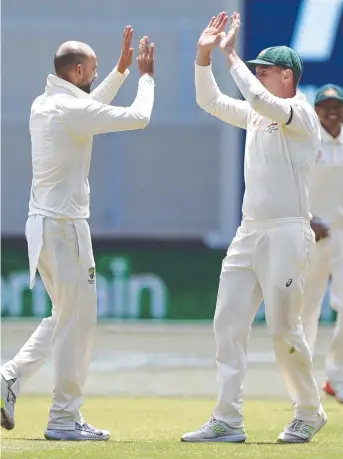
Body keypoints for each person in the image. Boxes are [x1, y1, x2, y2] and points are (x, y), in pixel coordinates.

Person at [1, 27, 155, 441]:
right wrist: (145, 76)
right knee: (78, 323)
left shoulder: (46, 102)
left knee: (67, 316)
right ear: (80, 69)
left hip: (48, 225)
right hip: (65, 228)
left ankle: (9, 378)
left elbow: (90, 106)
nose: (95, 76)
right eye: (95, 70)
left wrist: (120, 71)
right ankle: (64, 418)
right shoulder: (69, 110)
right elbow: (139, 117)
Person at [181, 11, 326, 444]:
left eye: (264, 71)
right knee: (227, 324)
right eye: (255, 69)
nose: (257, 76)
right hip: (250, 232)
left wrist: (232, 59)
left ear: (287, 76)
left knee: (284, 330)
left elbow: (264, 104)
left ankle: (308, 410)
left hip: (287, 232)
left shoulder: (299, 114)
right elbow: (210, 102)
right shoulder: (259, 114)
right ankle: (227, 418)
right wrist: (204, 56)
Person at [301, 84, 343, 403]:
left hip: (342, 235)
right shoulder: (305, 141)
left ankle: (336, 377)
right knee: (307, 311)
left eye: (337, 104)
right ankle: (302, 384)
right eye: (326, 104)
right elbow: (292, 183)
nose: (332, 109)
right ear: (316, 110)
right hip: (312, 234)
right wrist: (307, 218)